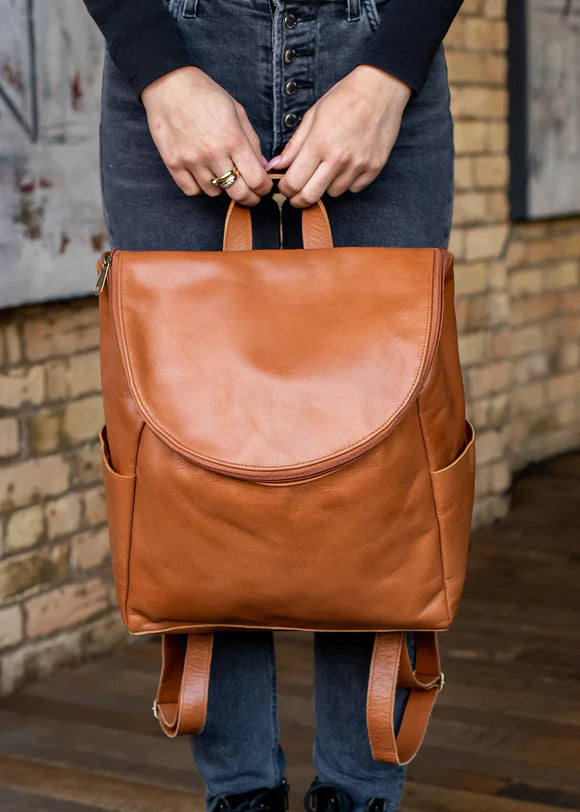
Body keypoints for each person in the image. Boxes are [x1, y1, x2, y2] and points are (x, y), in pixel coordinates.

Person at [82, 1, 463, 810]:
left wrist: (391, 70)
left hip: (380, 50)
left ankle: (362, 798)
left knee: (384, 471)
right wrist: (160, 69)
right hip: (175, 53)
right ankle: (239, 797)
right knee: (189, 468)